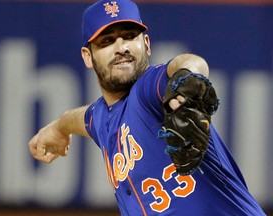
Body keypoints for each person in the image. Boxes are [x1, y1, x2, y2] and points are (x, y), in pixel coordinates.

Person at [28, 0, 265, 215]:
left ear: (147, 44)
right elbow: (81, 118)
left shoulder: (149, 90)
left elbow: (188, 64)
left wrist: (187, 77)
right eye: (107, 41)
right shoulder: (101, 117)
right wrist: (59, 128)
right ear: (88, 57)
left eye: (130, 36)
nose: (121, 47)